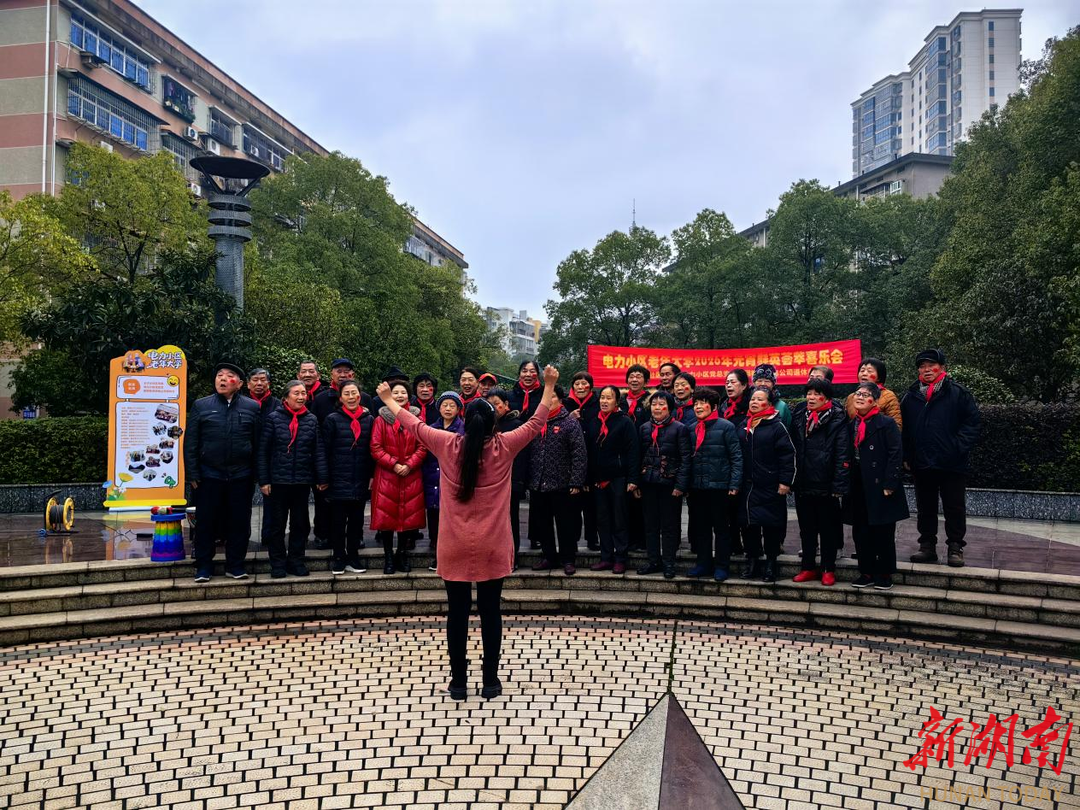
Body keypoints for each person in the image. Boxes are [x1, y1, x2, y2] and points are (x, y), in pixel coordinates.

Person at [375, 364, 560, 701]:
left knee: (457, 613)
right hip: (493, 543)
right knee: (491, 612)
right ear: (493, 423)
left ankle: (458, 683)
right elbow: (536, 422)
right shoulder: (504, 445)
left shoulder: (447, 443)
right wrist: (549, 385)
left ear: (465, 419)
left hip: (454, 543)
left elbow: (414, 424)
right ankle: (490, 681)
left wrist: (389, 399)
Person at [900, 349, 981, 568]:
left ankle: (955, 547)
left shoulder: (958, 393)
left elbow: (972, 423)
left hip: (952, 462)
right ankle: (927, 546)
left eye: (931, 365)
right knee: (925, 507)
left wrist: (958, 447)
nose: (926, 370)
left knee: (954, 506)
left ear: (942, 368)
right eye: (922, 366)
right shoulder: (911, 396)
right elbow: (904, 429)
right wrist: (907, 454)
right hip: (922, 462)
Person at [185, 362, 261, 582]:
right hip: (209, 475)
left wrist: (257, 474)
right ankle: (203, 566)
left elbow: (257, 443)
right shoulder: (201, 405)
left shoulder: (251, 407)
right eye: (219, 375)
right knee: (206, 522)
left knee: (239, 522)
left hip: (241, 475)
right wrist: (192, 473)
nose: (223, 379)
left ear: (239, 383)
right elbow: (191, 442)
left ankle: (235, 565)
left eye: (229, 376)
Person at [258, 380, 328, 578]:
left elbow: (318, 450)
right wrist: (264, 480)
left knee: (300, 525)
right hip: (277, 482)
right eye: (296, 393)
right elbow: (263, 451)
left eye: (303, 393)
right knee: (277, 526)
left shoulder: (311, 419)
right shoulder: (273, 418)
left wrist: (322, 477)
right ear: (286, 397)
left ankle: (296, 561)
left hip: (302, 481)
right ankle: (277, 564)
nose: (301, 397)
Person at [844, 383, 908, 589]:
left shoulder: (886, 423)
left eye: (865, 395)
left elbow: (895, 453)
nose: (860, 397)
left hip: (880, 484)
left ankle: (885, 573)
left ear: (875, 401)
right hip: (857, 483)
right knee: (860, 530)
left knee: (883, 531)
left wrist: (890, 482)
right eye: (858, 394)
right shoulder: (851, 424)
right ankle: (866, 571)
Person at [791, 379, 850, 586]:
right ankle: (808, 567)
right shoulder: (800, 415)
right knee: (806, 529)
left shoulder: (837, 418)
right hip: (803, 482)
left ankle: (828, 568)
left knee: (828, 530)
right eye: (809, 393)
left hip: (826, 484)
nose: (811, 397)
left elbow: (842, 453)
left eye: (817, 394)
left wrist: (839, 484)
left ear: (826, 397)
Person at [738, 386, 796, 583]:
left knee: (771, 526)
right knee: (749, 525)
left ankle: (771, 563)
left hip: (770, 485)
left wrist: (785, 482)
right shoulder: (744, 425)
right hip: (748, 486)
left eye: (759, 399)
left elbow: (787, 456)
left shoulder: (777, 427)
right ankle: (752, 560)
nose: (754, 402)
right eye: (752, 399)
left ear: (769, 404)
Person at [685, 386, 742, 582]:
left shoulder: (726, 427)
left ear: (714, 406)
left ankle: (722, 566)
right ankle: (703, 564)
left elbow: (736, 457)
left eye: (703, 403)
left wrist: (734, 484)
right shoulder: (691, 428)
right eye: (696, 403)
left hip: (720, 487)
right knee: (701, 528)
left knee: (721, 529)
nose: (698, 407)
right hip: (697, 487)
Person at [529, 385, 588, 575]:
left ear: (561, 400)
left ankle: (568, 559)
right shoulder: (535, 422)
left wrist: (576, 481)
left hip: (563, 483)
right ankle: (549, 557)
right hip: (538, 482)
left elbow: (579, 454)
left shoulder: (569, 423)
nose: (548, 401)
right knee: (543, 523)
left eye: (552, 397)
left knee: (566, 524)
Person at [370, 381, 427, 574]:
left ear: (409, 396)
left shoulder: (417, 418)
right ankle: (388, 557)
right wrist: (394, 464)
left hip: (411, 474)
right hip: (387, 475)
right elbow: (375, 447)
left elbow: (423, 445)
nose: (400, 396)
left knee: (407, 518)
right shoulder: (380, 420)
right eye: (395, 392)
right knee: (387, 518)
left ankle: (401, 554)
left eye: (403, 392)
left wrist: (410, 464)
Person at [636, 390, 692, 579]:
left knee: (669, 526)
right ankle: (653, 561)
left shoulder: (679, 428)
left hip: (670, 485)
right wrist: (637, 483)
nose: (657, 408)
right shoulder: (644, 428)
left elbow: (685, 459)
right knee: (650, 525)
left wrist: (680, 486)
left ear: (669, 408)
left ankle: (669, 563)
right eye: (654, 404)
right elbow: (638, 457)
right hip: (648, 483)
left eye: (661, 404)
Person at [584, 385, 639, 574]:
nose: (604, 401)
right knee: (602, 519)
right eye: (602, 397)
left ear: (617, 401)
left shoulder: (625, 422)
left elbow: (633, 451)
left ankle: (620, 558)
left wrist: (633, 479)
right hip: (598, 479)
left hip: (618, 478)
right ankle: (606, 557)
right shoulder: (593, 421)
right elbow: (588, 451)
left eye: (609, 398)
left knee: (619, 519)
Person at [322, 380, 373, 575]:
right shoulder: (332, 419)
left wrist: (372, 475)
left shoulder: (369, 419)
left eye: (354, 393)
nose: (351, 397)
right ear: (341, 398)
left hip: (360, 478)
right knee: (337, 521)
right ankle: (338, 557)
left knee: (356, 522)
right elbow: (325, 451)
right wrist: (324, 477)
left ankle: (353, 556)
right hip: (338, 478)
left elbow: (372, 450)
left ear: (360, 396)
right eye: (347, 394)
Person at [424, 392, 465, 568]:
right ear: (439, 408)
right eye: (444, 405)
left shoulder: (463, 429)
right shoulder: (431, 428)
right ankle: (437, 553)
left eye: (452, 405)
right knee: (433, 517)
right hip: (432, 478)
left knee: (451, 521)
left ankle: (451, 557)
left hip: (452, 480)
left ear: (458, 409)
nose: (448, 409)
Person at [487, 388, 527, 567]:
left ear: (506, 404)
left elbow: (522, 457)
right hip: (490, 484)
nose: (494, 408)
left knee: (511, 521)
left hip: (511, 482)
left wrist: (518, 482)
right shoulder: (485, 425)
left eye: (497, 404)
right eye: (490, 404)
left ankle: (512, 556)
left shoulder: (516, 425)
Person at [245, 367, 280, 546]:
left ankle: (269, 537)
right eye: (255, 380)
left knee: (272, 503)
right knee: (242, 502)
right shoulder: (240, 403)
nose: (259, 383)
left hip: (270, 459)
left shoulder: (278, 405)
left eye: (263, 380)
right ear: (248, 384)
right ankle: (241, 537)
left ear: (269, 383)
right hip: (245, 460)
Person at [567, 371, 600, 551]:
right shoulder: (566, 404)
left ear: (591, 387)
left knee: (591, 505)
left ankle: (592, 538)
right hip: (571, 462)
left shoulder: (598, 403)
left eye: (584, 383)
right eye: (577, 384)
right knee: (572, 506)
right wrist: (570, 418)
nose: (580, 387)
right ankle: (572, 541)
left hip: (593, 459)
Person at [621, 363, 651, 553]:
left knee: (641, 503)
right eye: (631, 376)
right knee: (625, 504)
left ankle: (642, 541)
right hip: (623, 458)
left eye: (638, 376)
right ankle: (628, 540)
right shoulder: (620, 401)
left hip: (643, 455)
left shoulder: (650, 401)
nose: (634, 379)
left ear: (646, 381)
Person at [721, 369, 751, 556]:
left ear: (744, 385)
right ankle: (733, 545)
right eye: (727, 382)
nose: (729, 386)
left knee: (744, 510)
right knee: (728, 509)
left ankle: (751, 550)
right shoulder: (723, 406)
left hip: (745, 464)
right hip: (726, 465)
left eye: (733, 382)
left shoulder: (750, 406)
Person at [845, 358, 902, 429]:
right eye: (862, 371)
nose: (864, 374)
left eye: (869, 371)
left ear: (879, 377)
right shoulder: (851, 397)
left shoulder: (888, 396)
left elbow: (896, 425)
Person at [752, 364, 791, 429]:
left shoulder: (782, 406)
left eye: (767, 381)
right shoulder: (747, 403)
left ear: (773, 384)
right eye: (759, 381)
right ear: (754, 383)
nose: (763, 384)